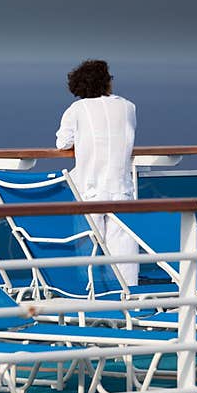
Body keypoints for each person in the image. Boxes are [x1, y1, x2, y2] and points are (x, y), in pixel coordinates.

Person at [54, 59, 139, 286]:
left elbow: (63, 143)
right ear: (105, 82)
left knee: (87, 248)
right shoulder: (128, 107)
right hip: (121, 189)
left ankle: (90, 295)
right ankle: (129, 299)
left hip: (89, 190)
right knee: (125, 252)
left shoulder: (77, 110)